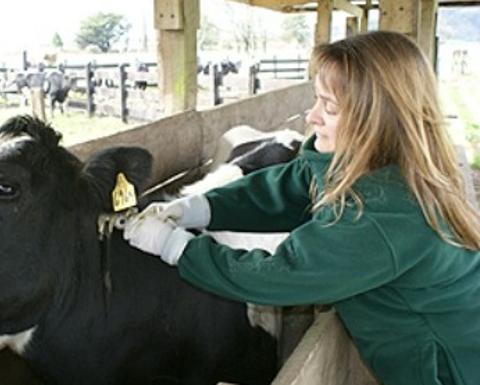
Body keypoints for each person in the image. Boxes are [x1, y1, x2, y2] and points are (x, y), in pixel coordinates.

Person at [123, 31, 480, 385]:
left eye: (330, 107)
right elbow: (288, 187)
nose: (311, 117)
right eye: (316, 100)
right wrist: (196, 208)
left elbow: (282, 275)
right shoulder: (363, 163)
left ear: (378, 118)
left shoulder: (382, 212)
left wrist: (174, 247)